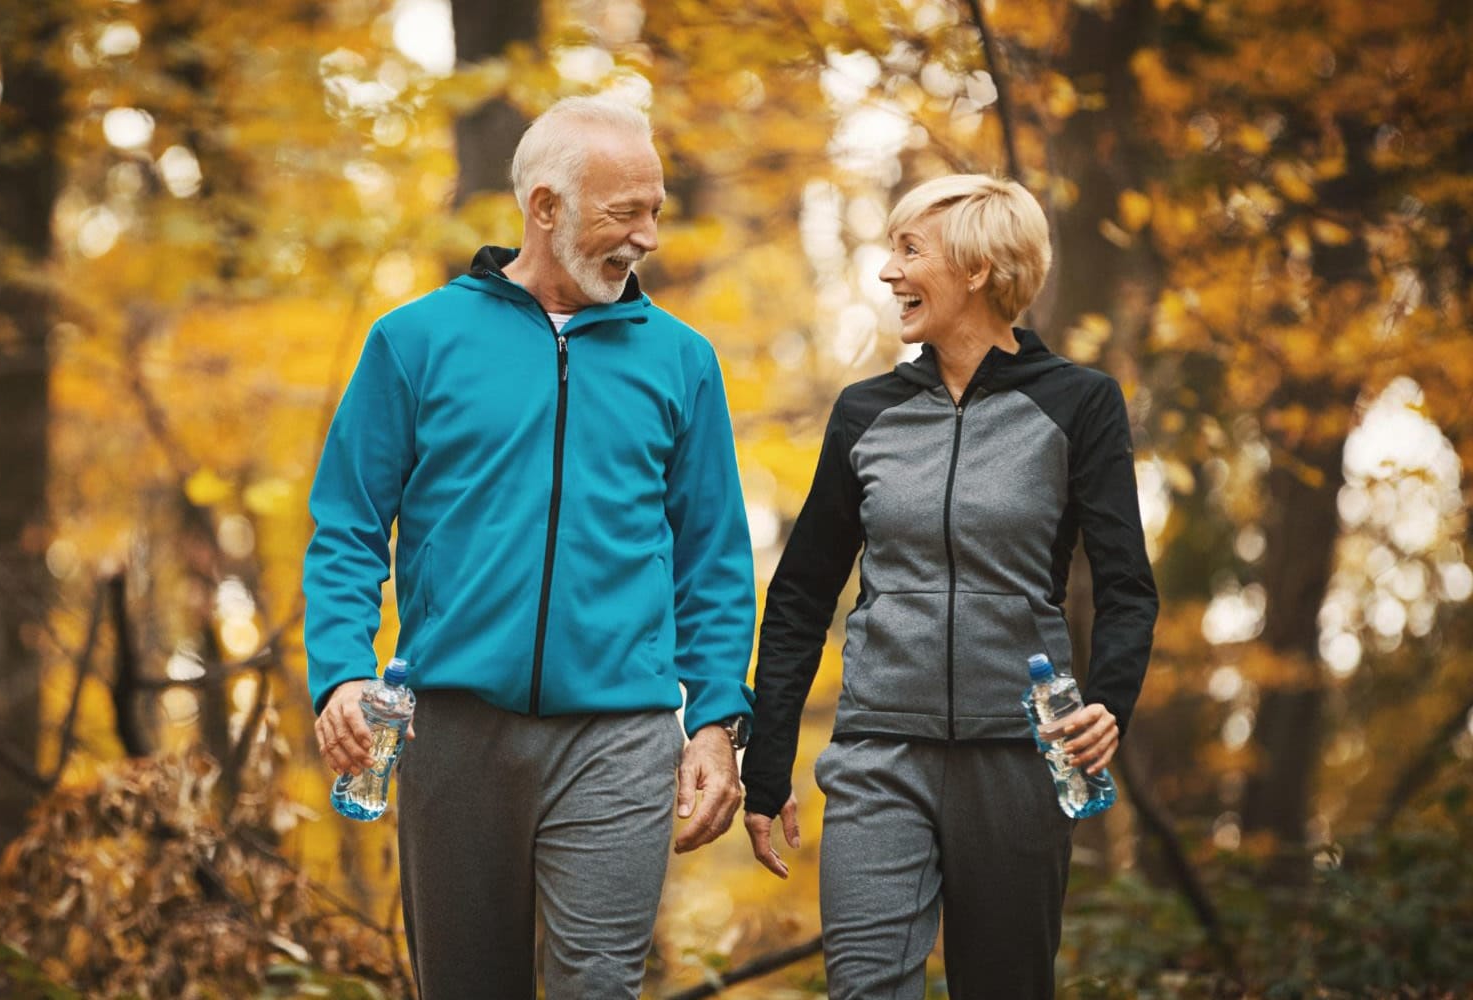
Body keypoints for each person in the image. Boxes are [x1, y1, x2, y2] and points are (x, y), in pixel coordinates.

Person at [303, 95, 757, 999]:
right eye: (625, 211)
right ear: (544, 207)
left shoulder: (681, 359)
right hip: (452, 727)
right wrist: (341, 672)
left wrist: (714, 719)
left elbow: (712, 555)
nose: (649, 235)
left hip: (619, 732)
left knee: (600, 986)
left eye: (656, 209)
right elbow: (348, 525)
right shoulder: (414, 342)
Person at [738, 174, 1158, 998]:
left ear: (976, 268)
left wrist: (1110, 699)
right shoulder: (866, 413)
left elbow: (1126, 586)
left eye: (909, 250)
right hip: (877, 755)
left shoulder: (1079, 404)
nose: (889, 273)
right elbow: (799, 596)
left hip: (1019, 759)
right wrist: (771, 764)